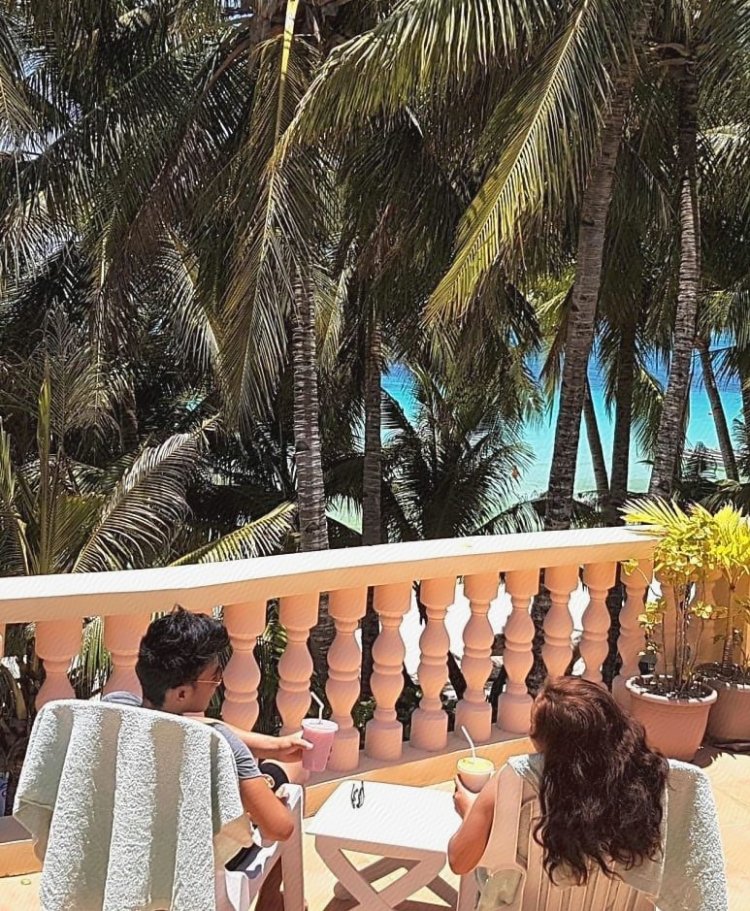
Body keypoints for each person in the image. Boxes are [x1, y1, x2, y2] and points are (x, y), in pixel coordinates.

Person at [103, 606, 312, 908]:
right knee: (294, 774)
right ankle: (271, 901)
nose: (219, 684)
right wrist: (264, 803)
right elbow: (279, 828)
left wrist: (274, 745)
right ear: (182, 694)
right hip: (199, 861)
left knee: (278, 769)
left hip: (129, 853)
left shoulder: (114, 710)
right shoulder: (220, 745)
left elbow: (184, 722)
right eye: (215, 678)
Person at [448, 676, 669, 898]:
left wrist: (470, 811)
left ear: (547, 740)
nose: (529, 732)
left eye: (533, 725)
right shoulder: (647, 779)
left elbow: (460, 861)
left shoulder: (514, 779)